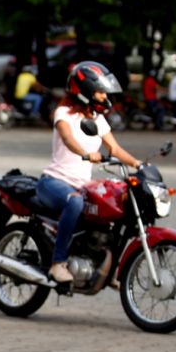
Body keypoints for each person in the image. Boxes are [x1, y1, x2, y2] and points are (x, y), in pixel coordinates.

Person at [38, 61, 142, 285]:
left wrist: (138, 164)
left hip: (81, 184)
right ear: (84, 91)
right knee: (74, 203)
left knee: (114, 205)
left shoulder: (97, 118)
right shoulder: (63, 113)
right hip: (54, 182)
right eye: (100, 92)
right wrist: (87, 153)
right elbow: (68, 139)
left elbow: (114, 149)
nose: (105, 97)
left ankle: (107, 268)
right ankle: (58, 264)